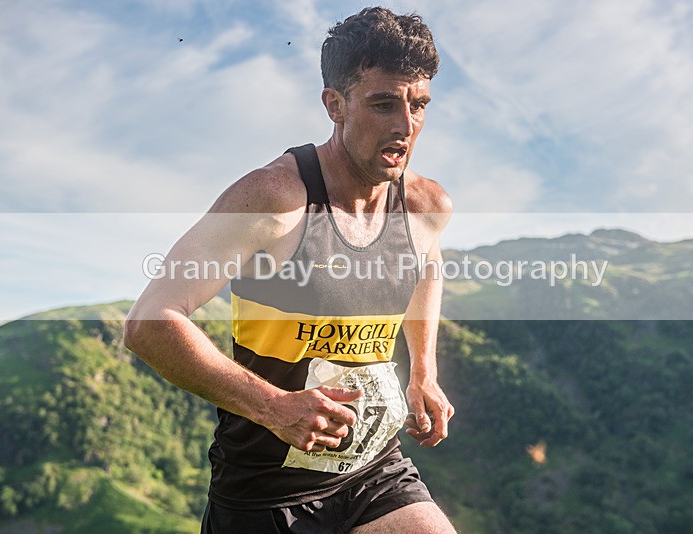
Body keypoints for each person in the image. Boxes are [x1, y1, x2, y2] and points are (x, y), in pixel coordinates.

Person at [124, 6, 456, 533]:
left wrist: (423, 372)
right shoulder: (274, 200)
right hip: (265, 488)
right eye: (383, 103)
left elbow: (426, 268)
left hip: (374, 469)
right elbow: (149, 321)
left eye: (419, 105)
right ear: (335, 104)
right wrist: (276, 407)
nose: (405, 126)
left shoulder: (425, 206)